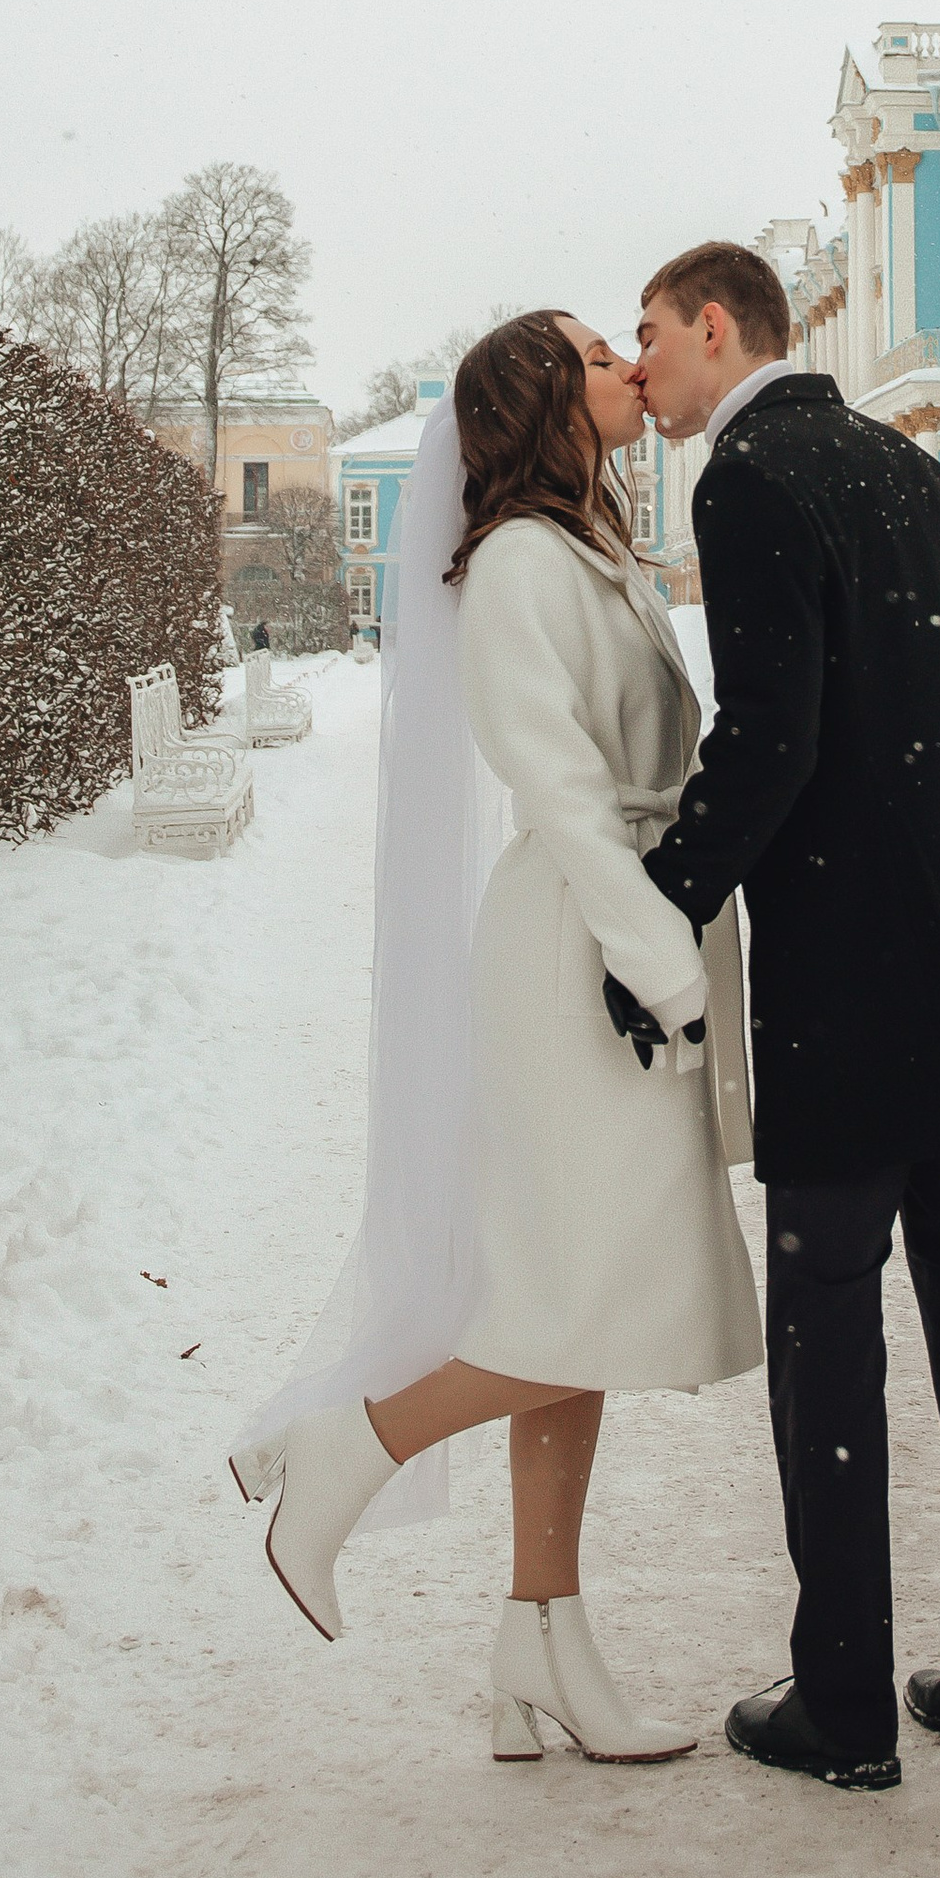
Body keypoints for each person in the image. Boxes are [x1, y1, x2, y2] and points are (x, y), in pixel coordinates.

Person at [231, 312, 758, 1762]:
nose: (626, 367)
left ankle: (539, 1628)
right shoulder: (526, 562)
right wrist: (666, 972)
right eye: (598, 353)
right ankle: (359, 1440)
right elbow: (567, 793)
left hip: (619, 929)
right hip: (581, 951)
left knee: (568, 1297)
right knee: (598, 1298)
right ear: (545, 398)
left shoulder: (590, 546)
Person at [633, 238, 940, 1791]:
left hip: (850, 981)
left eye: (653, 341)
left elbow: (770, 741)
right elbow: (933, 717)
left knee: (829, 1330)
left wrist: (661, 905)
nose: (644, 376)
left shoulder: (748, 481)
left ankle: (842, 1704)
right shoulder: (914, 474)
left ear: (716, 328)